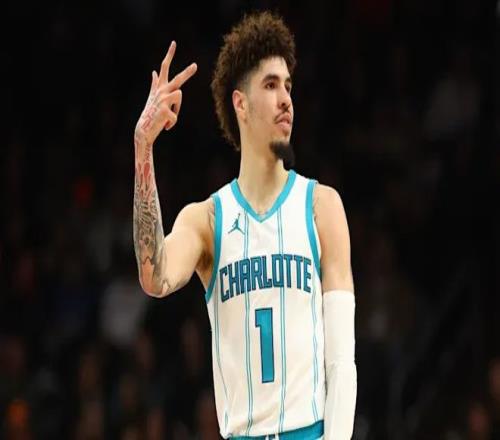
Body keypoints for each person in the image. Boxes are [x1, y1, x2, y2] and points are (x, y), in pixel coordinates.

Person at [133, 11, 357, 440]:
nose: (286, 99)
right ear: (240, 103)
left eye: (288, 86)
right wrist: (143, 147)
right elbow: (153, 276)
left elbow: (341, 362)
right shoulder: (206, 219)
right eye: (271, 85)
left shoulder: (321, 207)